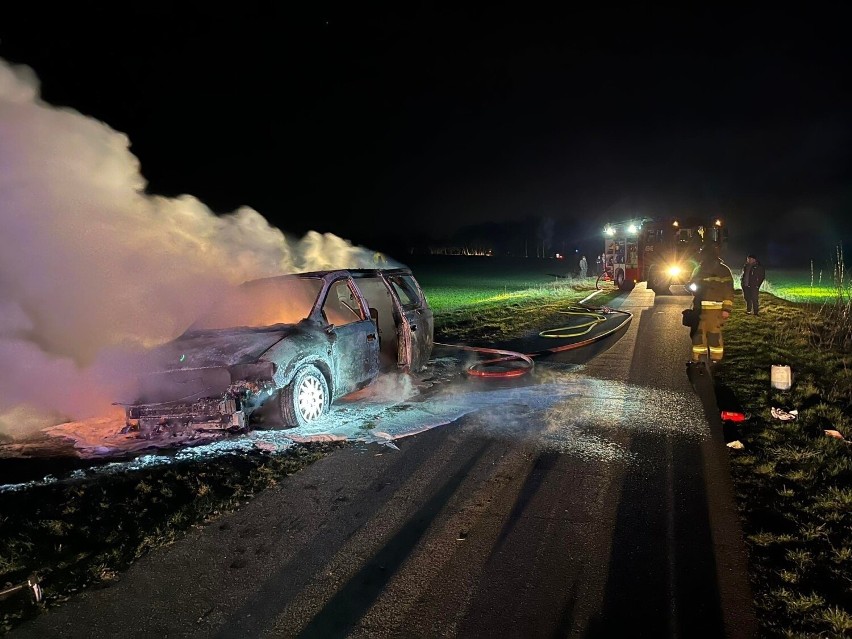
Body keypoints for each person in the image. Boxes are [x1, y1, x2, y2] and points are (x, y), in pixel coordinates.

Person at [688, 243, 735, 367]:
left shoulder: (723, 270)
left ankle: (716, 360)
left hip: (714, 310)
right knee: (698, 335)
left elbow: (729, 291)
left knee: (713, 335)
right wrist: (690, 287)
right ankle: (698, 359)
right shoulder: (699, 269)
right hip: (700, 309)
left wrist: (726, 309)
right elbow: (692, 285)